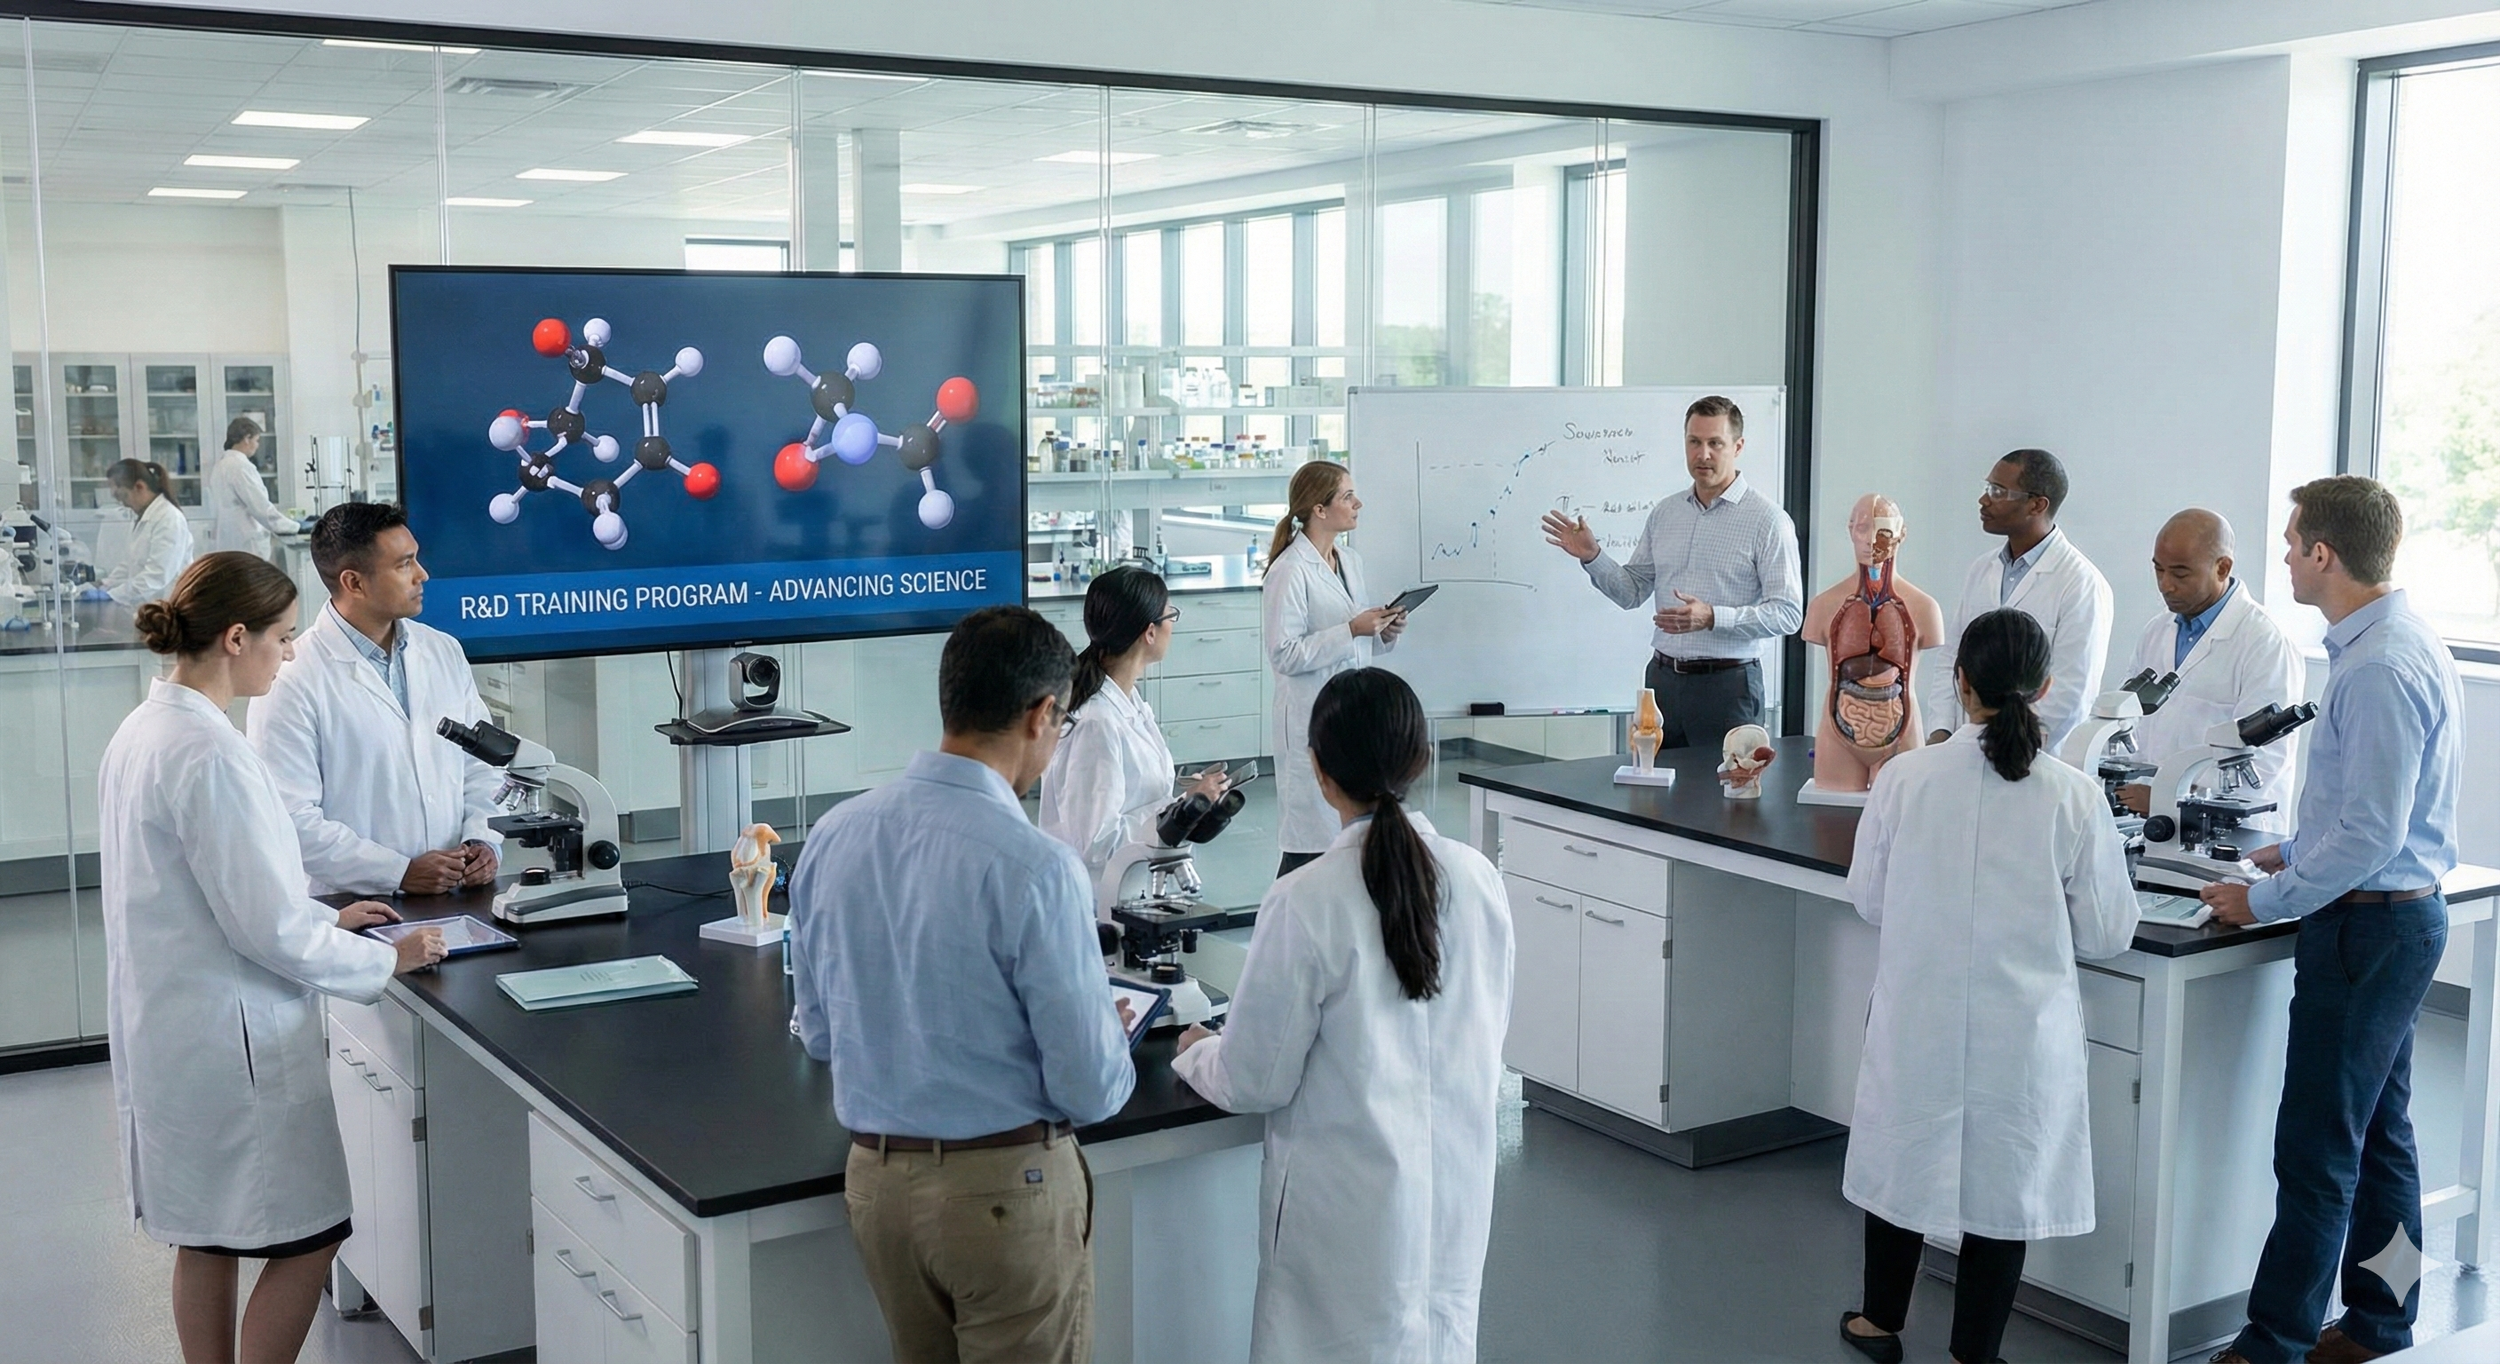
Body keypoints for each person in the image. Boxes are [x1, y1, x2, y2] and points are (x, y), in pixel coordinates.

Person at [98, 551, 446, 1364]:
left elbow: (225, 888)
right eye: (283, 638)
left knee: (206, 1237)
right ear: (234, 637)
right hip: (233, 1041)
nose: (290, 655)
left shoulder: (148, 727)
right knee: (312, 1240)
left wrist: (324, 911)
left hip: (174, 1028)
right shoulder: (211, 752)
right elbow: (268, 930)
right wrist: (386, 957)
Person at [790, 605, 1136, 1364]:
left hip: (877, 1189)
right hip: (1004, 1194)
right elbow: (1091, 1089)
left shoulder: (834, 834)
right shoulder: (1037, 865)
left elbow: (817, 1034)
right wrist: (1107, 1028)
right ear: (1042, 713)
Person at [1172, 667, 1512, 1363]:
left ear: (1319, 772)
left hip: (1344, 1218)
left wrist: (1196, 1043)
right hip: (1452, 1195)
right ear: (1421, 760)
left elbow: (1253, 1080)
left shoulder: (1306, 898)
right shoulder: (1478, 879)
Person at [2203, 477, 2461, 1364]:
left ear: (2324, 553)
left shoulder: (2382, 664)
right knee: (2381, 1139)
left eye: (2290, 543)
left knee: (2317, 1150)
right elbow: (2369, 812)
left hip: (2368, 932)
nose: (2283, 556)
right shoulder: (2387, 641)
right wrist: (2296, 847)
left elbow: (2376, 830)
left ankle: (2272, 1342)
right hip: (2388, 918)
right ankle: (2382, 1321)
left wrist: (2263, 897)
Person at [1839, 607, 2137, 1364]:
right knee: (2005, 1185)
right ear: (2043, 688)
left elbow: (1869, 900)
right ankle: (1976, 1351)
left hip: (1918, 1014)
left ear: (1959, 682)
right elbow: (2107, 932)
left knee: (1904, 1158)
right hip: (2021, 1030)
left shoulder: (1904, 777)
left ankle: (1879, 1323)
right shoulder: (2072, 795)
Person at [246, 503, 502, 897]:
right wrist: (398, 872)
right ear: (354, 582)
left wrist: (484, 840)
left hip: (453, 893)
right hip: (350, 904)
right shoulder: (292, 677)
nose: (423, 575)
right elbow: (290, 817)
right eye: (404, 565)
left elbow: (481, 765)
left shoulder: (442, 651)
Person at [1540, 394, 1802, 751]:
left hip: (1728, 687)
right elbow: (1632, 593)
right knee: (1654, 803)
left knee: (1723, 801)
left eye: (1715, 443)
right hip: (1662, 683)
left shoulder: (1768, 521)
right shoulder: (1666, 513)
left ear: (1738, 447)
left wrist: (1713, 617)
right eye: (1694, 442)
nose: (1703, 454)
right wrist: (1593, 556)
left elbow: (1788, 614)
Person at [1038, 565, 1230, 887]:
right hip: (1100, 901)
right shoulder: (1096, 723)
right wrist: (1178, 809)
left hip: (1134, 887)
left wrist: (1184, 800)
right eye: (1171, 616)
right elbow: (1097, 842)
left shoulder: (1127, 699)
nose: (1173, 625)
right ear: (1150, 632)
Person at [2114, 509, 2305, 824]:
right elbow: (2131, 722)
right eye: (2158, 570)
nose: (2165, 585)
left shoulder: (2265, 642)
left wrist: (2166, 797)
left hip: (2230, 831)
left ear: (2223, 567)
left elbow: (2265, 763)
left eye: (2180, 573)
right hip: (2151, 820)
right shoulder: (2157, 630)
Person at [1920, 448, 2112, 754]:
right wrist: (1941, 734)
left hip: (2030, 761)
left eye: (1998, 491)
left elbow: (2072, 693)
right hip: (1962, 753)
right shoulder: (1982, 570)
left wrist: (2003, 748)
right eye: (1987, 488)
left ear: (2037, 504)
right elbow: (1951, 660)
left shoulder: (2081, 583)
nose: (1984, 500)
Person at [1266, 460, 1404, 877]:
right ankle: (1282, 926)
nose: (1358, 503)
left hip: (1350, 716)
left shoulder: (1349, 560)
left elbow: (1356, 647)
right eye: (1347, 496)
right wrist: (1350, 630)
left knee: (1346, 844)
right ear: (1319, 510)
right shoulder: (1289, 571)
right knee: (1309, 846)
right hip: (1311, 719)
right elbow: (1284, 654)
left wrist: (1383, 631)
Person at [94, 458, 195, 607]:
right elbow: (130, 564)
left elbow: (156, 577)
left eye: (123, 496)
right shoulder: (144, 517)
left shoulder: (169, 518)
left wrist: (112, 595)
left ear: (139, 487)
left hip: (170, 606)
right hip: (150, 606)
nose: (123, 504)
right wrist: (105, 584)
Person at [205, 416, 299, 561]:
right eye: (256, 440)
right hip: (246, 544)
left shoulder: (220, 466)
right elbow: (261, 508)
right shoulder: (240, 466)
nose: (257, 445)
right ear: (246, 438)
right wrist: (294, 527)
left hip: (227, 543)